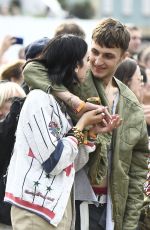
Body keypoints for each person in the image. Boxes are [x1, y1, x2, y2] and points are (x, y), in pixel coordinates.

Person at [23, 18, 149, 230]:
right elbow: (31, 69)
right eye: (95, 52)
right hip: (68, 201)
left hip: (111, 209)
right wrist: (73, 100)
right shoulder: (74, 78)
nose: (98, 61)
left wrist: (129, 223)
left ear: (123, 58)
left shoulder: (131, 105)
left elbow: (137, 174)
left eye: (108, 56)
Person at [4, 35, 117, 230]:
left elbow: (71, 164)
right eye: (87, 60)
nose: (90, 65)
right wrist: (81, 125)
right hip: (34, 210)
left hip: (55, 211)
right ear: (74, 65)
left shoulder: (59, 104)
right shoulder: (38, 100)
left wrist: (90, 134)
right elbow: (54, 161)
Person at [0, 81, 26, 229]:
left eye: (22, 99)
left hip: (21, 214)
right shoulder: (5, 130)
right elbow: (6, 135)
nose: (19, 104)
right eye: (12, 100)